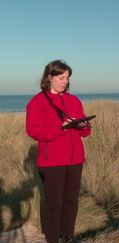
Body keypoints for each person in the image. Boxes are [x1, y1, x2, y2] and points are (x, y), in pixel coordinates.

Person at [26, 60, 91, 243]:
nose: (65, 81)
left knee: (71, 201)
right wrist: (59, 129)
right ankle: (53, 239)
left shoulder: (74, 100)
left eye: (67, 78)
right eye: (61, 77)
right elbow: (33, 130)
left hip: (75, 159)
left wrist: (85, 126)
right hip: (52, 161)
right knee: (53, 204)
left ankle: (68, 236)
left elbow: (84, 133)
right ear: (50, 77)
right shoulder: (37, 101)